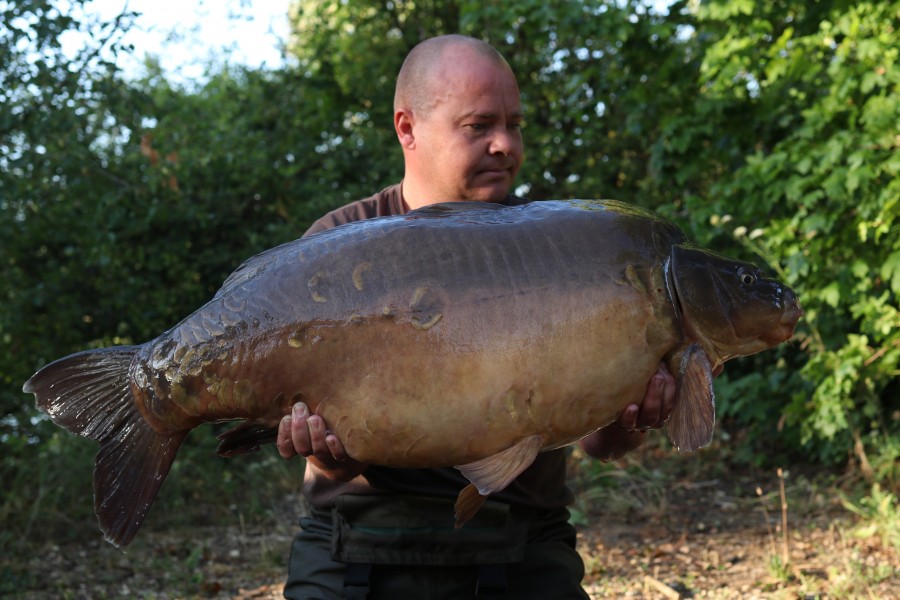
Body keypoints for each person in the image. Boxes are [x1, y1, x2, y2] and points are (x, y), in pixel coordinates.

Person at [277, 34, 676, 599]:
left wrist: (632, 417)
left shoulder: (564, 247)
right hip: (359, 539)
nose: (504, 145)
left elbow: (600, 445)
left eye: (514, 125)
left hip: (521, 540)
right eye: (479, 125)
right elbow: (330, 469)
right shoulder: (336, 249)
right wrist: (321, 451)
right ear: (407, 128)